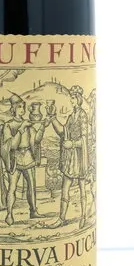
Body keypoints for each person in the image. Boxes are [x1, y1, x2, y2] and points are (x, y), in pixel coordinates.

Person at [48, 85, 90, 229]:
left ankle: (84, 216)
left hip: (80, 157)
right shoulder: (72, 116)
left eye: (73, 98)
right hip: (71, 157)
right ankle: (62, 218)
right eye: (70, 98)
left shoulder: (82, 116)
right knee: (65, 187)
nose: (71, 100)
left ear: (78, 98)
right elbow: (63, 132)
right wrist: (53, 117)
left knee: (82, 187)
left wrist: (71, 144)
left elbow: (84, 139)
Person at [1, 96, 45, 226]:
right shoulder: (8, 125)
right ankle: (9, 214)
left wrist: (42, 127)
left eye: (23, 107)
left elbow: (36, 140)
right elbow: (12, 145)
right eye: (19, 107)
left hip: (28, 157)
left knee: (32, 186)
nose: (22, 109)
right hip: (15, 158)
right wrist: (21, 128)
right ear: (13, 108)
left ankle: (33, 210)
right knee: (12, 188)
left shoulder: (27, 124)